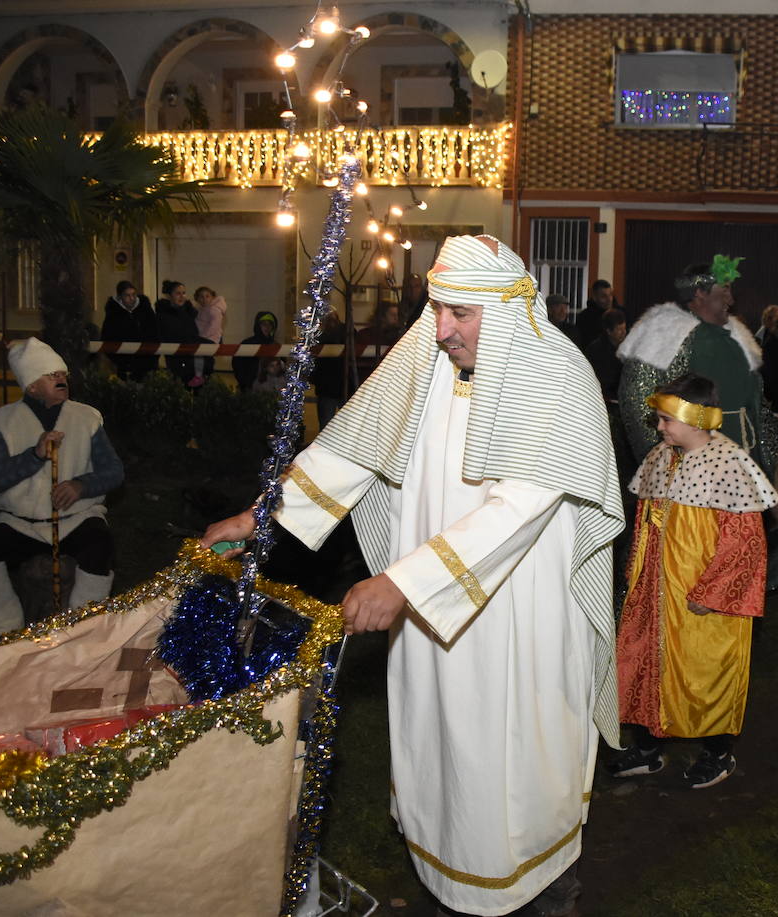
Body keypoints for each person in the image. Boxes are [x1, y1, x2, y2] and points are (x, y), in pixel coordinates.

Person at [201, 235, 622, 917]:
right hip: (436, 605)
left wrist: (403, 583)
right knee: (441, 744)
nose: (443, 328)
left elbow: (517, 507)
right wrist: (264, 515)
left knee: (508, 756)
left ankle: (539, 889)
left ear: (505, 309)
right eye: (438, 310)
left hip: (514, 610)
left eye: (461, 313)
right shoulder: (429, 349)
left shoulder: (556, 378)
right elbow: (354, 446)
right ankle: (450, 879)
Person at [608, 374, 777, 789]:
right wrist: (635, 574)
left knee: (707, 670)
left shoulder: (730, 464)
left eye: (667, 420)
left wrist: (713, 592)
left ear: (697, 420)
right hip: (654, 593)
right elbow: (644, 523)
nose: (659, 427)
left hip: (699, 595)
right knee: (646, 663)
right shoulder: (659, 457)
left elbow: (744, 543)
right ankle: (648, 749)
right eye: (659, 420)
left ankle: (717, 753)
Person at [617, 257, 778, 585]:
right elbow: (638, 402)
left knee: (743, 534)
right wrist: (664, 458)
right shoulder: (663, 333)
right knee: (697, 540)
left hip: (744, 452)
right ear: (699, 293)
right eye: (724, 290)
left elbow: (755, 400)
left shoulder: (735, 336)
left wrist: (770, 447)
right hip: (697, 461)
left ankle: (739, 588)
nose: (731, 299)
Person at [0, 338, 124, 633]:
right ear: (32, 385)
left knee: (99, 547)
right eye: (52, 375)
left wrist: (80, 486)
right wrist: (34, 456)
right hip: (21, 523)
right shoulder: (3, 423)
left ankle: (80, 629)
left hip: (76, 518)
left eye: (63, 375)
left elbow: (114, 471)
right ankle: (6, 631)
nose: (62, 380)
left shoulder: (86, 418)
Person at [100, 280, 159, 381]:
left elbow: (155, 333)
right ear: (120, 297)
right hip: (124, 365)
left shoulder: (145, 310)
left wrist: (152, 358)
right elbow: (107, 337)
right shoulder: (113, 314)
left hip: (146, 363)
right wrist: (120, 361)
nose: (131, 298)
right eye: (127, 295)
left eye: (133, 294)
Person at [154, 279, 200, 386]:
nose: (182, 296)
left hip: (191, 353)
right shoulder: (163, 315)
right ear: (170, 295)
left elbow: (193, 332)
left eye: (183, 293)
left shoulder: (188, 312)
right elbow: (162, 334)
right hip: (175, 356)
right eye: (178, 293)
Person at [582, 307, 626, 402]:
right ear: (609, 331)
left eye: (624, 328)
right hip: (602, 398)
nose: (624, 333)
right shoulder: (595, 350)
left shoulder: (628, 348)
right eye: (619, 329)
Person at [313, 308, 347, 430]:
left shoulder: (319, 337)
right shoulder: (346, 333)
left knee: (327, 426)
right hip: (338, 385)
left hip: (330, 386)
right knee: (345, 426)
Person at [233, 310, 279, 393]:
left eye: (270, 324)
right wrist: (245, 383)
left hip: (271, 390)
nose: (267, 327)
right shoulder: (247, 344)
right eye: (263, 324)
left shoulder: (276, 346)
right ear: (258, 326)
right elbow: (237, 365)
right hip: (250, 388)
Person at [193, 285, 227, 382]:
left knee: (206, 362)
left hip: (210, 339)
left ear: (212, 297)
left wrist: (201, 338)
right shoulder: (200, 310)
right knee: (199, 359)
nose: (204, 299)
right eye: (201, 297)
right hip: (202, 339)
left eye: (207, 296)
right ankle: (199, 377)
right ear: (197, 299)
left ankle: (206, 378)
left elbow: (214, 327)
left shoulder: (215, 310)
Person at [576, 279, 616, 347]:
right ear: (595, 298)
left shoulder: (621, 313)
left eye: (610, 295)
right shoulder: (584, 317)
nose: (609, 299)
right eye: (604, 296)